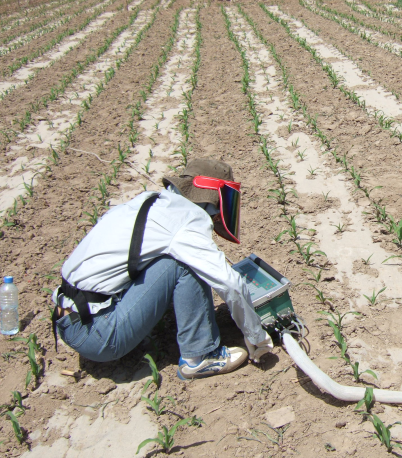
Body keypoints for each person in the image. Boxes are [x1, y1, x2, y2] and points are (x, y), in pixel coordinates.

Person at [52, 158, 273, 380]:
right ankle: (201, 356)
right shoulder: (189, 217)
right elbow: (230, 284)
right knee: (185, 264)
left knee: (169, 255)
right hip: (100, 336)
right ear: (215, 198)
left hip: (71, 320)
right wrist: (256, 335)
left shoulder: (149, 201)